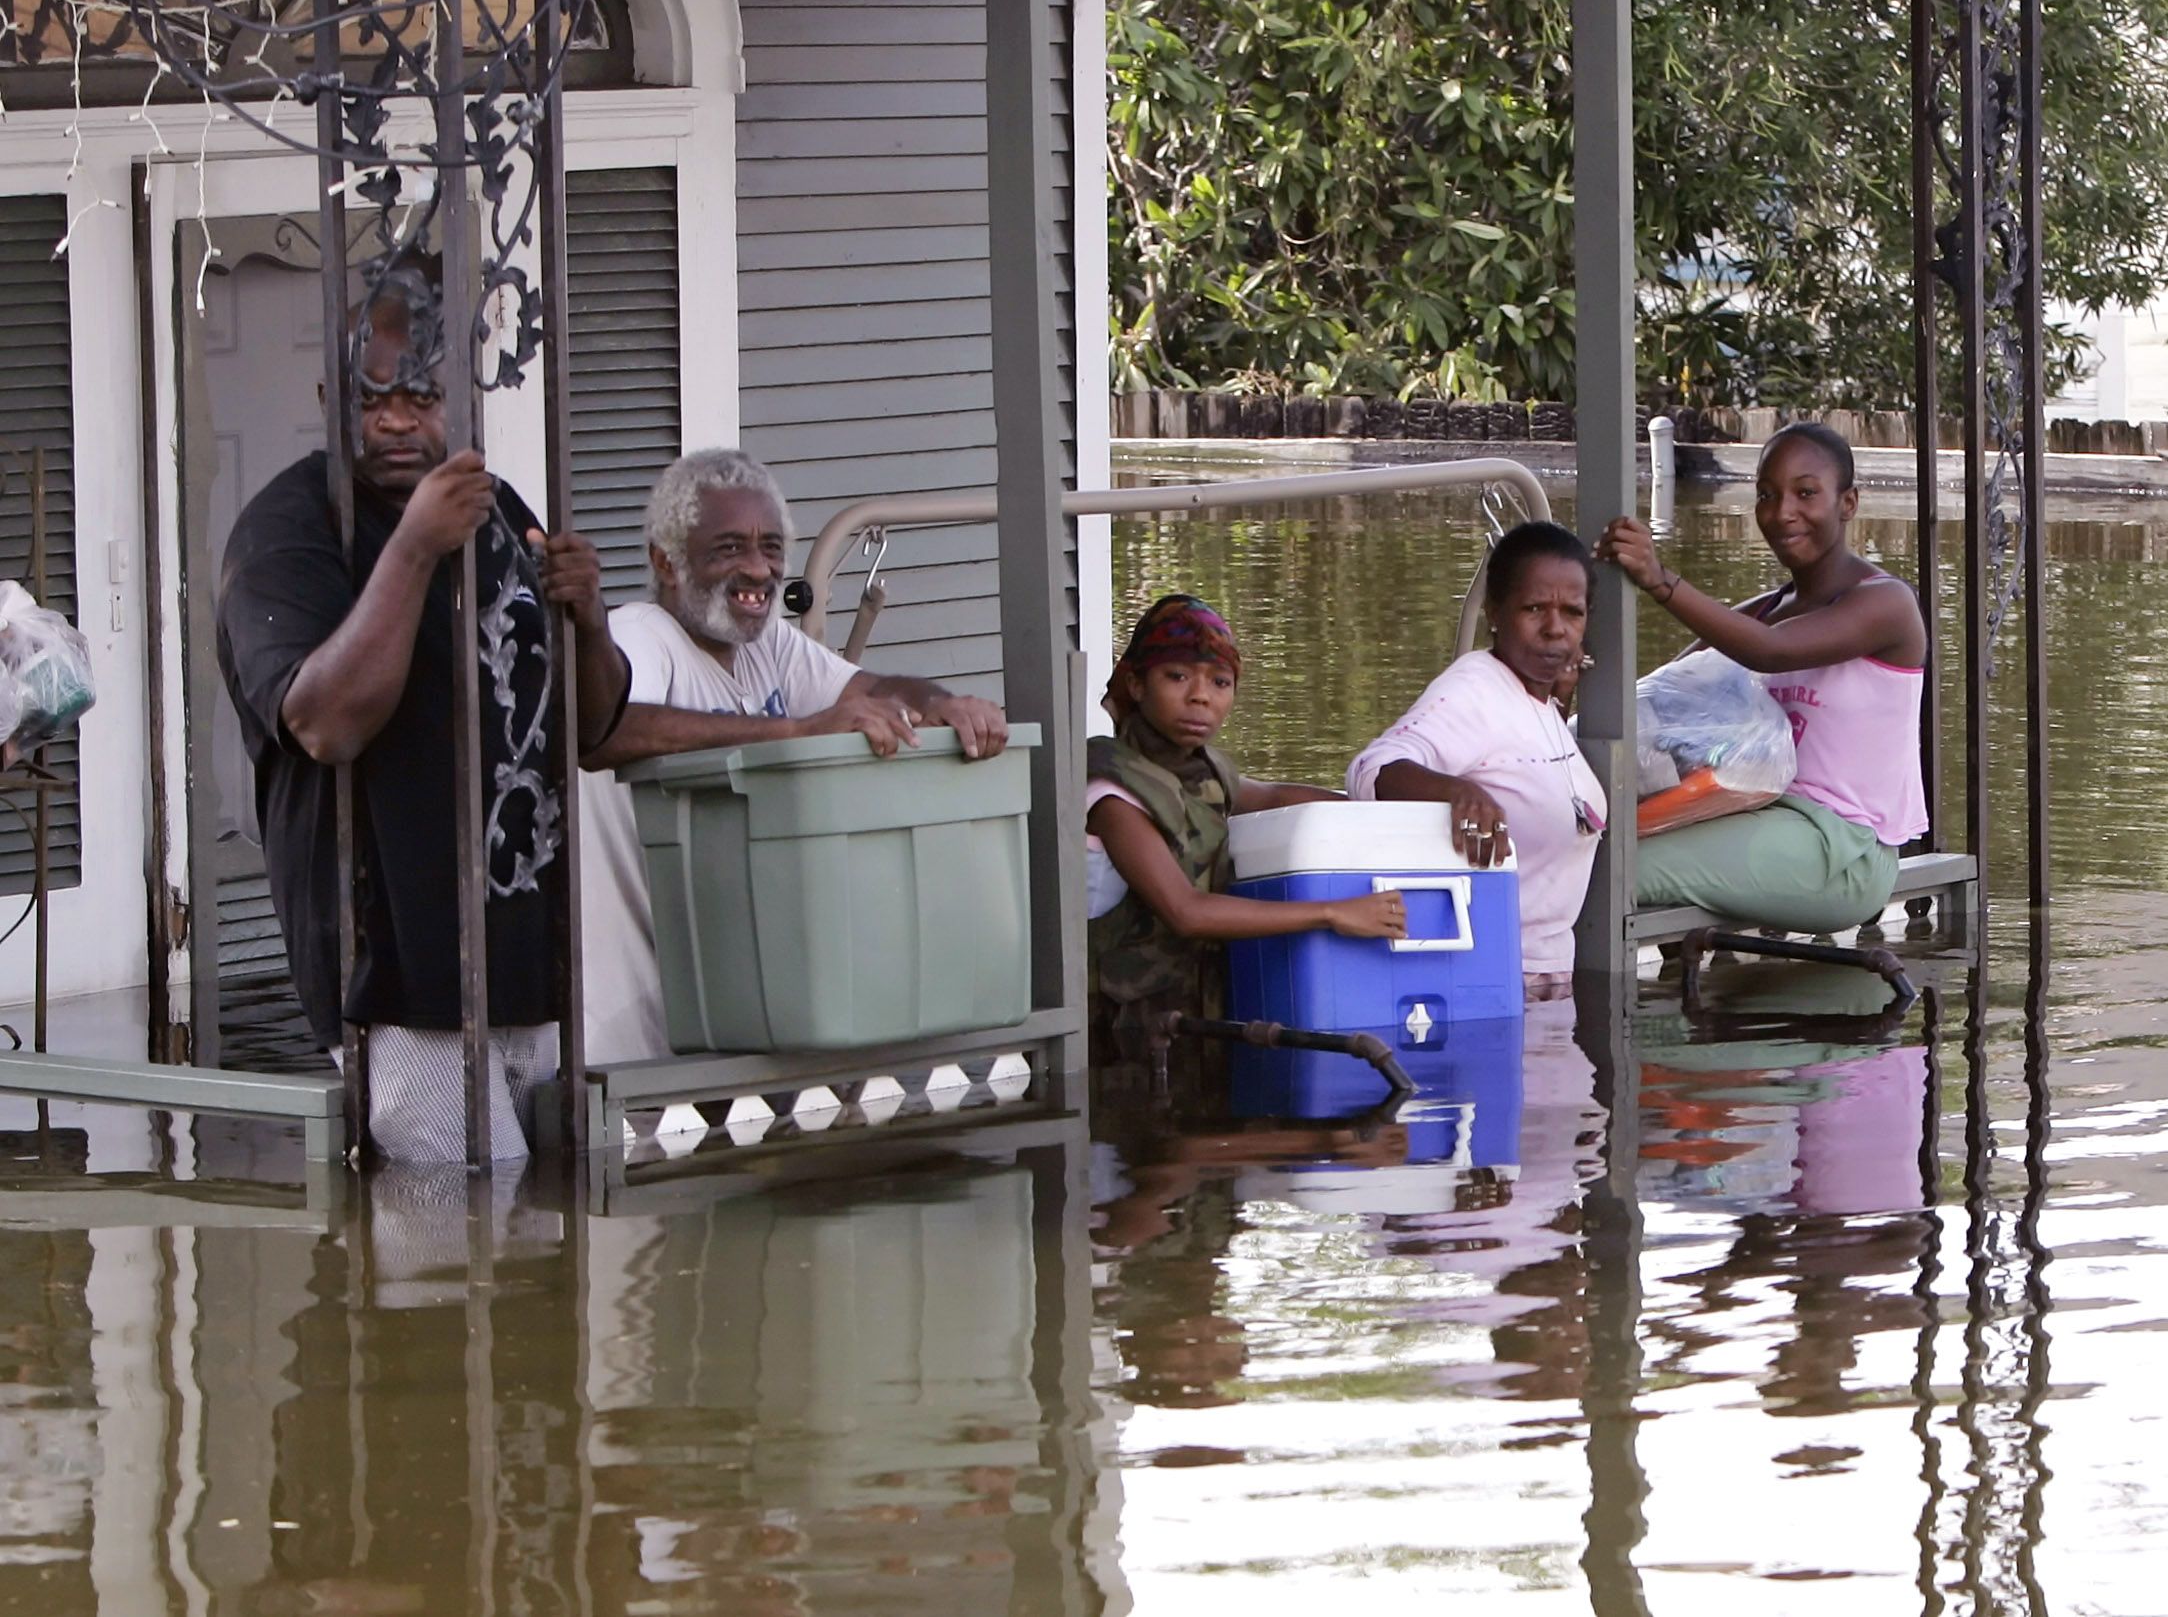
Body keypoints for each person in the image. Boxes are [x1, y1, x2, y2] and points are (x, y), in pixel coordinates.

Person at [217, 270, 632, 1164]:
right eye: (375, 398)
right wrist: (409, 545)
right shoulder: (289, 531)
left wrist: (590, 621)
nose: (399, 420)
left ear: (464, 399)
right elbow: (328, 723)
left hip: (527, 956)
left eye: (423, 396)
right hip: (401, 978)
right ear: (332, 397)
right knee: (443, 1247)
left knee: (542, 1241)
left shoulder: (495, 510)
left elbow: (591, 732)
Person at [576, 448, 1011, 1066]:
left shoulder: (768, 646)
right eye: (728, 549)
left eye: (771, 548)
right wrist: (793, 732)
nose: (758, 570)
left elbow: (874, 688)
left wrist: (942, 704)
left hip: (729, 1010)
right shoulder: (641, 634)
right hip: (629, 1032)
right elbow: (608, 729)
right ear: (665, 563)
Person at [1596, 420, 1928, 930]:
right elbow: (1668, 695)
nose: (1782, 513)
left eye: (1806, 493)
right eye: (1767, 495)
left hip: (1841, 850)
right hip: (1746, 813)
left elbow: (1770, 652)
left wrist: (1660, 581)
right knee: (1583, 841)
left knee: (1605, 871)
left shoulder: (1887, 603)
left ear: (1849, 503)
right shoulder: (1766, 609)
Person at [1087, 594, 1406, 1052]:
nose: (1200, 696)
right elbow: (1186, 911)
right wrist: (1334, 913)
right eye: (1176, 677)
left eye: (1220, 682)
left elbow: (1274, 796)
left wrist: (1391, 814)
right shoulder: (1111, 790)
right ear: (1136, 684)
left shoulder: (1205, 770)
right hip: (1123, 1036)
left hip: (1199, 1015)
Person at [1345, 521, 1606, 997]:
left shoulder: (1537, 701)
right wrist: (1458, 791)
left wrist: (1560, 701)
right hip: (1485, 982)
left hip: (1548, 983)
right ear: (1494, 612)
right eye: (1534, 609)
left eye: (1573, 612)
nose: (1555, 628)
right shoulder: (1475, 689)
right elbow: (1371, 770)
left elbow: (1517, 765)